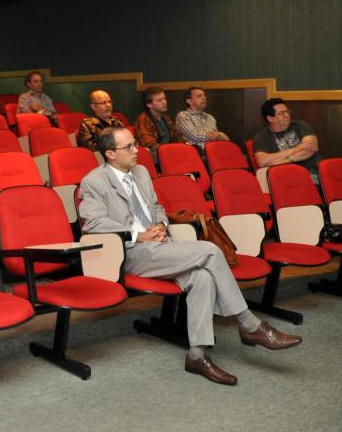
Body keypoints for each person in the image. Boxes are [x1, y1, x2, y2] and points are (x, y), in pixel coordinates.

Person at [79, 127, 302, 385]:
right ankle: (249, 323)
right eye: (128, 147)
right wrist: (137, 235)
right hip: (129, 253)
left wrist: (161, 225)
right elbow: (93, 224)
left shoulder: (140, 172)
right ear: (109, 153)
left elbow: (157, 207)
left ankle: (196, 355)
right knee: (209, 250)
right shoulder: (94, 181)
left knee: (202, 277)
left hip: (161, 245)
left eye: (135, 144)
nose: (136, 150)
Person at [253, 98, 321, 183]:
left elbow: (311, 148)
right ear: (270, 118)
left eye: (287, 111)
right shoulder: (261, 137)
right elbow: (262, 161)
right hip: (285, 179)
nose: (287, 115)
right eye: (281, 113)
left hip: (312, 173)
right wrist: (295, 149)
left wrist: (287, 159)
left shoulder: (300, 125)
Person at [134, 86, 183, 162]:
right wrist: (171, 149)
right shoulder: (143, 118)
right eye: (159, 100)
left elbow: (176, 136)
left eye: (164, 99)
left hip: (169, 150)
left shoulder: (166, 118)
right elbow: (149, 144)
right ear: (149, 104)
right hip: (155, 154)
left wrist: (184, 145)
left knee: (193, 149)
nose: (164, 102)